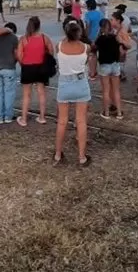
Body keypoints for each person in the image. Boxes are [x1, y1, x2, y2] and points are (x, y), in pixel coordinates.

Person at [53, 20, 92, 167]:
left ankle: (58, 154)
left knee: (62, 121)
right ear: (79, 33)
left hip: (64, 84)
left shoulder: (59, 46)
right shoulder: (85, 48)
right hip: (81, 83)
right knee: (81, 121)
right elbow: (86, 62)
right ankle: (82, 157)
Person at [16, 16, 54, 126]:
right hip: (41, 68)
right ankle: (42, 117)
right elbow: (51, 51)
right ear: (39, 26)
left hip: (27, 67)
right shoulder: (44, 38)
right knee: (41, 93)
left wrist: (23, 63)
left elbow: (19, 55)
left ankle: (23, 119)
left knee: (26, 94)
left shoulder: (24, 39)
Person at [96, 18, 129, 119]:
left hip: (104, 66)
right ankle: (119, 113)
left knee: (106, 90)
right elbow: (123, 48)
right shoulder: (115, 38)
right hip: (115, 65)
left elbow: (93, 49)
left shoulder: (99, 39)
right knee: (116, 90)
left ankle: (106, 113)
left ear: (101, 28)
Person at [0, 22, 19, 124]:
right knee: (9, 93)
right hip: (9, 68)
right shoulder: (13, 38)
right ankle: (8, 117)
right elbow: (16, 54)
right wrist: (13, 62)